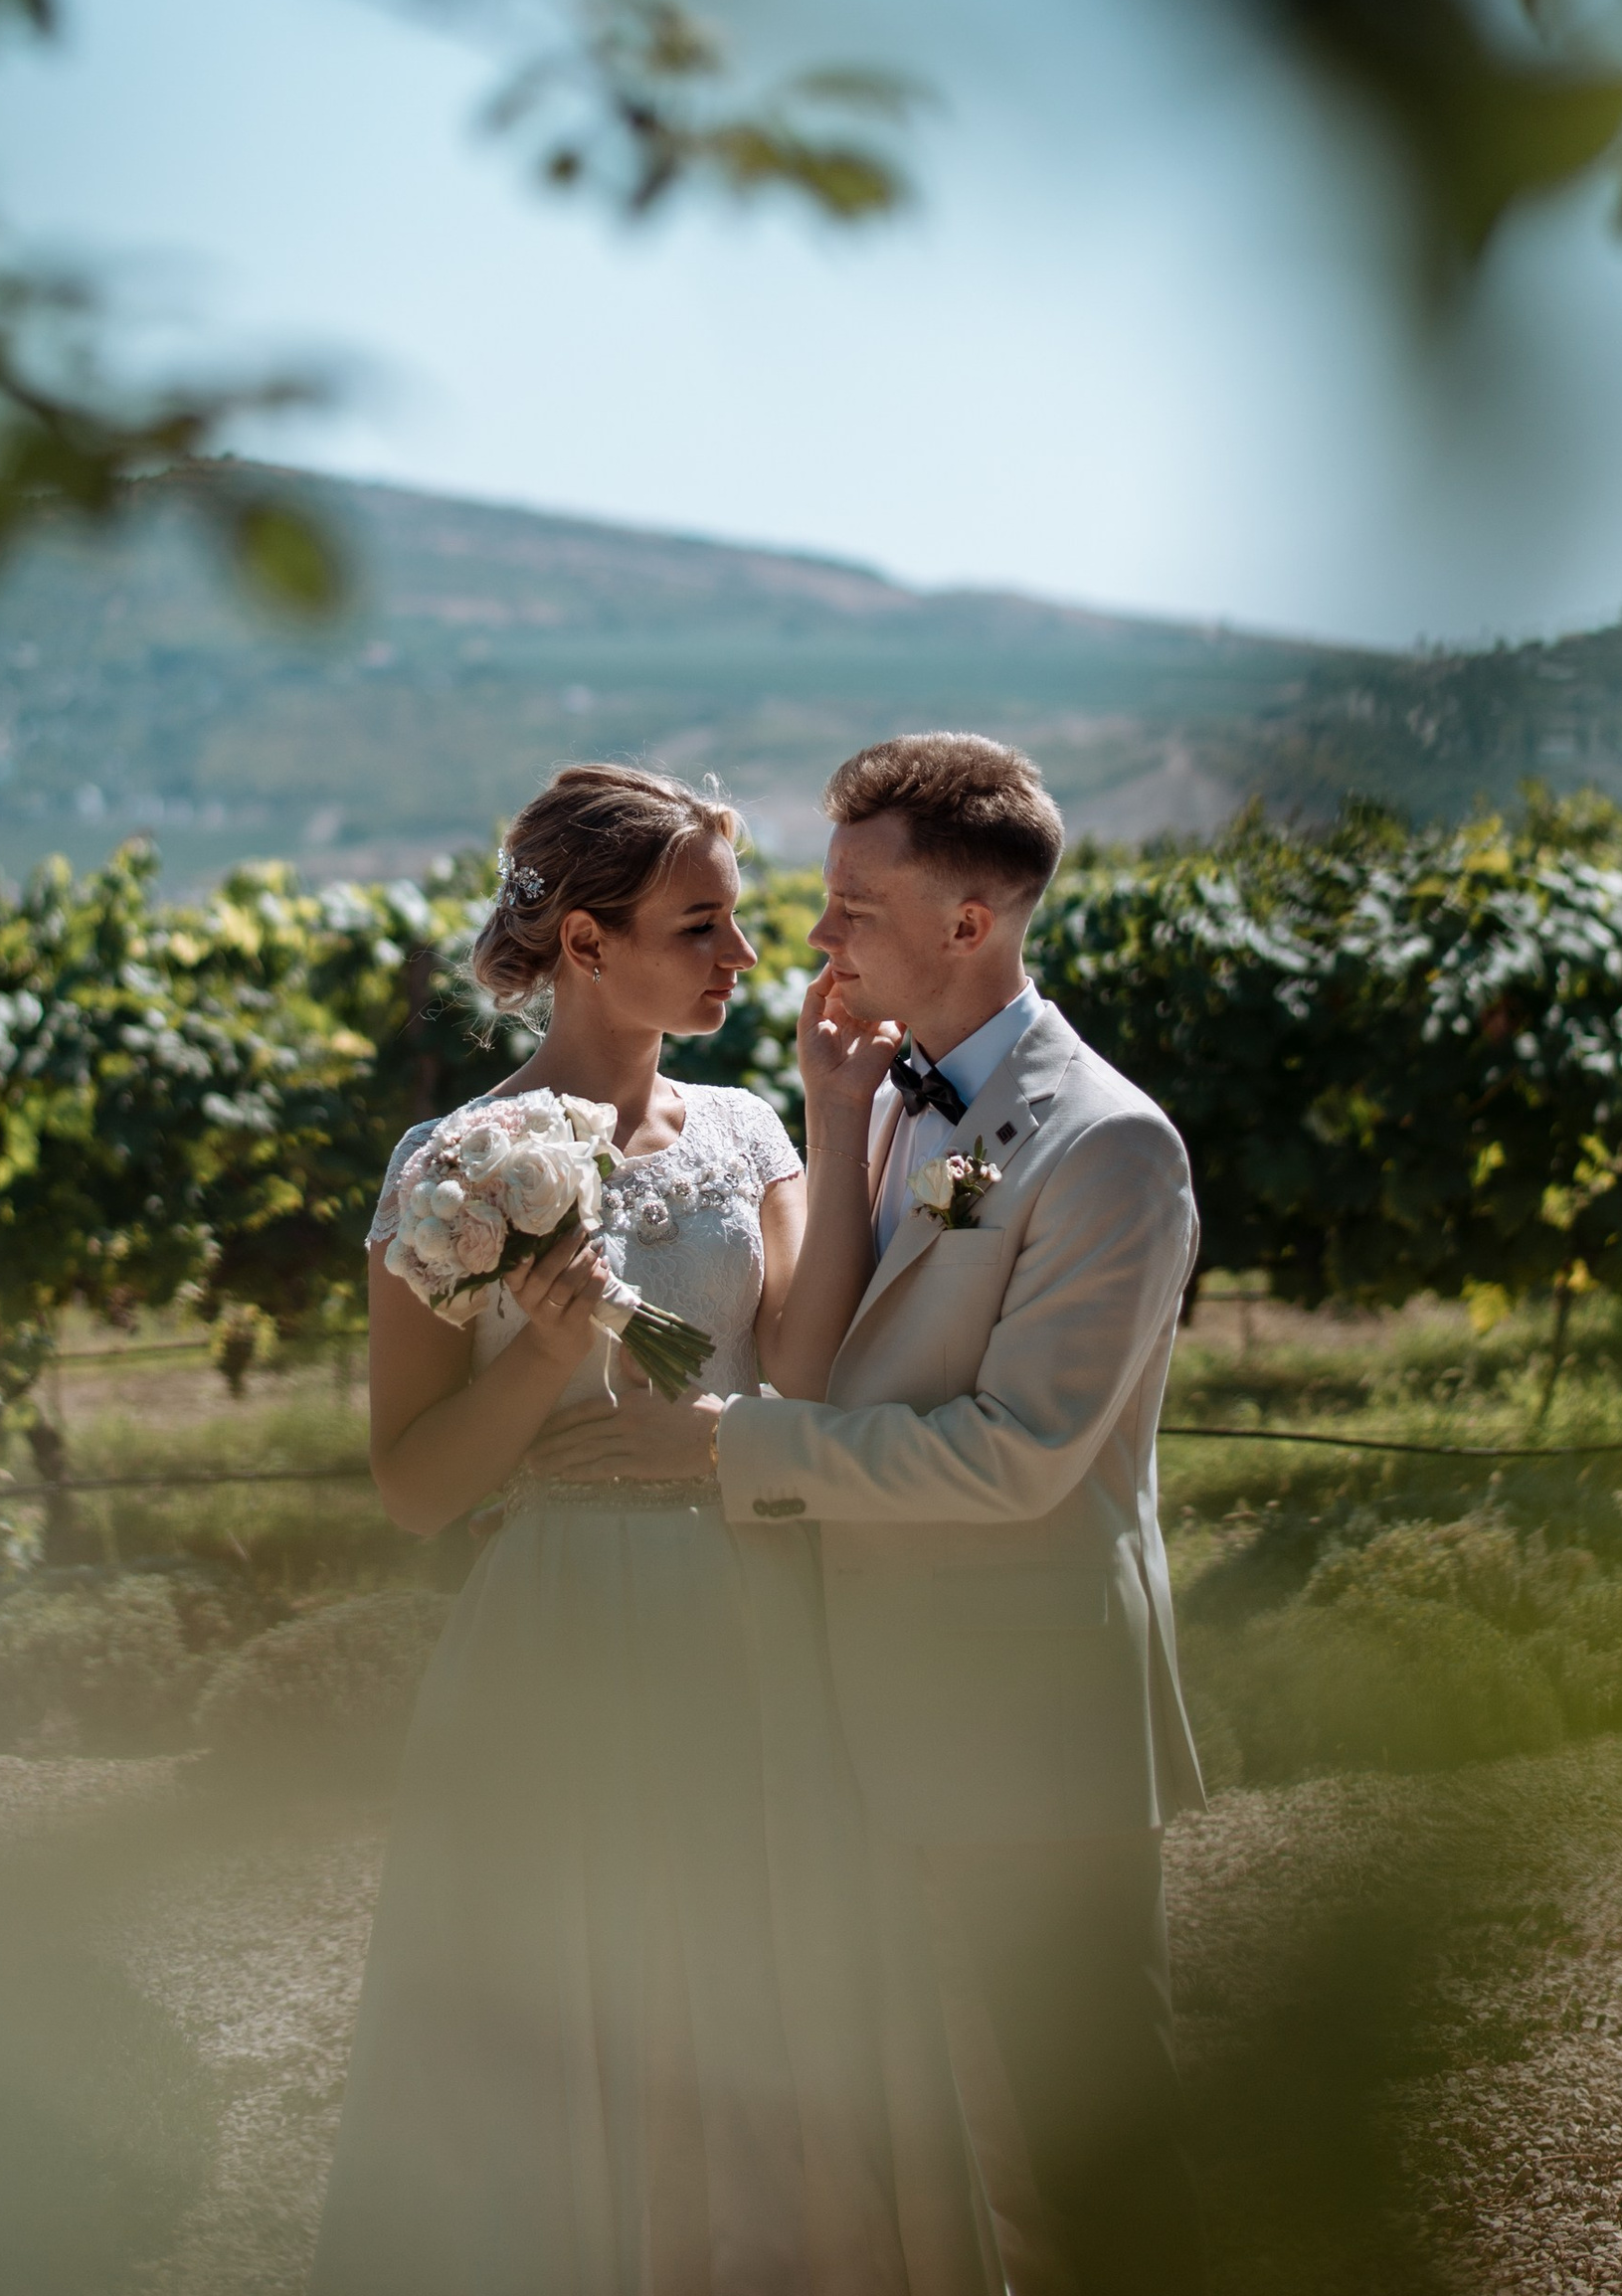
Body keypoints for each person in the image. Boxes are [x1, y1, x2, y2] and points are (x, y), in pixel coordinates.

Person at [307, 764, 990, 2296]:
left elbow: (803, 1374)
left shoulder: (751, 1132)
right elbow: (415, 1489)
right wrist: (546, 1355)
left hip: (750, 1607)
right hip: (553, 1636)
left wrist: (830, 1111)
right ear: (587, 943)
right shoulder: (445, 1170)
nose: (745, 961)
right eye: (704, 926)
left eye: (740, 924)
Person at [541, 734, 1208, 2296]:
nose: (815, 938)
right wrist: (834, 1126)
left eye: (850, 904)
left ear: (968, 924)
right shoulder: (886, 1095)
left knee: (1086, 2168)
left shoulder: (1110, 1145)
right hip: (865, 1724)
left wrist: (736, 1452)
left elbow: (1019, 1453)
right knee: (956, 2185)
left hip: (1028, 1725)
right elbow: (847, 1337)